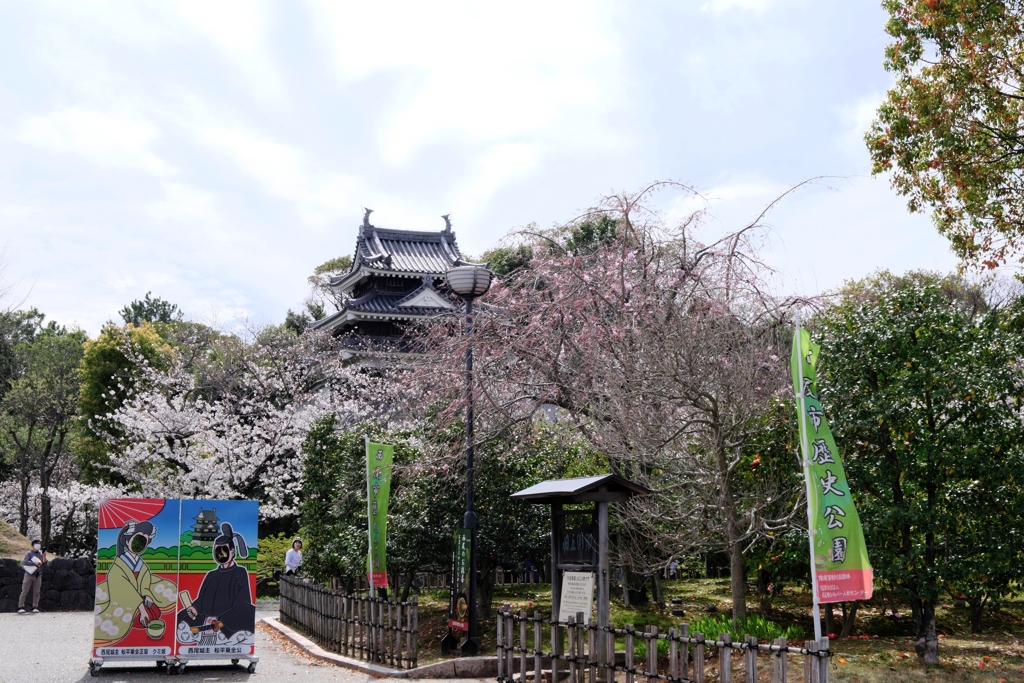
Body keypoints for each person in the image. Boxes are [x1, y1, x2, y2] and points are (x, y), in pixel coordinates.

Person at [176, 522, 256, 645]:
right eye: (217, 551)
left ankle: (226, 634)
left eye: (223, 551)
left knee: (244, 614)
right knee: (181, 618)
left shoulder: (240, 572)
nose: (220, 554)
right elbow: (202, 598)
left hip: (227, 619)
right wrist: (194, 608)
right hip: (206, 617)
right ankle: (204, 633)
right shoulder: (211, 574)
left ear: (232, 552)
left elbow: (242, 600)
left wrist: (221, 619)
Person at [18, 539, 47, 614]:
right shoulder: (28, 553)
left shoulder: (41, 554)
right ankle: (21, 606)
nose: (38, 545)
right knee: (24, 591)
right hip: (29, 574)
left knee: (37, 592)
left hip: (38, 575)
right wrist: (34, 563)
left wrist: (44, 557)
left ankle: (35, 606)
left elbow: (44, 563)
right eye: (37, 544)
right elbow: (25, 562)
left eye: (39, 544)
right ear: (33, 545)